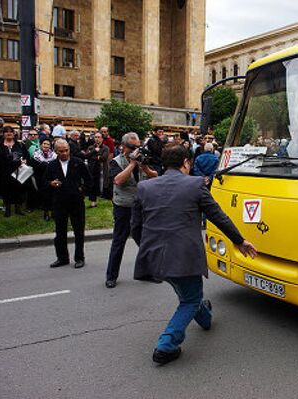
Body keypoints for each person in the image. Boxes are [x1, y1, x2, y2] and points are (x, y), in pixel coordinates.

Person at [131, 145, 257, 365]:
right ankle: (166, 345)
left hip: (153, 257)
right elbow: (219, 217)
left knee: (190, 294)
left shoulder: (144, 187)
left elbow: (135, 228)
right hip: (183, 257)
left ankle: (206, 319)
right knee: (190, 299)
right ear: (186, 163)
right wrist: (240, 241)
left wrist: (148, 249)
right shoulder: (196, 184)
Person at [105, 132, 157, 288]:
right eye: (133, 147)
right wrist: (132, 164)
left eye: (138, 146)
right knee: (119, 241)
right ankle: (111, 276)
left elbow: (155, 176)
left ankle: (146, 272)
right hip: (123, 207)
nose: (136, 149)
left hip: (140, 206)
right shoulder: (116, 161)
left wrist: (145, 167)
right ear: (123, 147)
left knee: (144, 241)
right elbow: (118, 180)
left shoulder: (141, 159)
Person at [45, 139, 92, 269]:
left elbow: (89, 180)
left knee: (78, 231)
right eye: (61, 151)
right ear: (56, 152)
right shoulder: (52, 165)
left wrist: (81, 190)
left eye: (66, 150)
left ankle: (79, 258)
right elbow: (44, 182)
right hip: (59, 202)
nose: (64, 153)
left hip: (76, 201)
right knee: (60, 232)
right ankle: (62, 258)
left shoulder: (78, 163)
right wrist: (51, 183)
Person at [0, 126, 30, 217]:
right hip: (4, 171)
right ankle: (8, 210)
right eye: (6, 132)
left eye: (11, 132)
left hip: (19, 170)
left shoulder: (20, 144)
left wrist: (25, 161)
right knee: (6, 190)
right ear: (3, 134)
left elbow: (27, 156)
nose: (9, 133)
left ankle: (18, 209)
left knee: (19, 189)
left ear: (14, 134)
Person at [33, 138, 57, 221]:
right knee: (45, 195)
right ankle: (46, 213)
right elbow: (35, 167)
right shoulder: (36, 155)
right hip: (41, 179)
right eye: (44, 144)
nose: (46, 146)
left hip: (52, 178)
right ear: (41, 145)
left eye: (48, 144)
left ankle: (53, 212)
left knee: (53, 195)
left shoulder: (54, 155)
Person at [84, 132, 109, 208]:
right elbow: (86, 156)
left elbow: (103, 158)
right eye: (95, 137)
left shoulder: (105, 148)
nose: (97, 139)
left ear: (102, 138)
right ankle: (92, 202)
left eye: (98, 137)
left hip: (101, 169)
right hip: (91, 168)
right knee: (91, 185)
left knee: (99, 185)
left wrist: (94, 157)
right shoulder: (91, 147)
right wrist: (95, 152)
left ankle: (99, 199)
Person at [100, 127, 115, 199]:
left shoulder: (110, 140)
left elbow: (111, 153)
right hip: (101, 161)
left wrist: (108, 163)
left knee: (106, 178)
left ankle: (106, 194)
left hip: (106, 162)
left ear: (108, 132)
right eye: (102, 132)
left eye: (104, 132)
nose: (103, 133)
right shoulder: (101, 140)